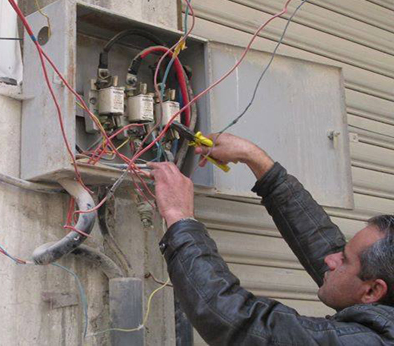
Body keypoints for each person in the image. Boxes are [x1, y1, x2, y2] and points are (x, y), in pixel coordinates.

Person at [148, 133, 394, 345]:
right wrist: (255, 159)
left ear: (373, 291)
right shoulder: (378, 301)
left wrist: (180, 217)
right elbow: (323, 246)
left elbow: (240, 323)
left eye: (344, 259)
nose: (330, 259)